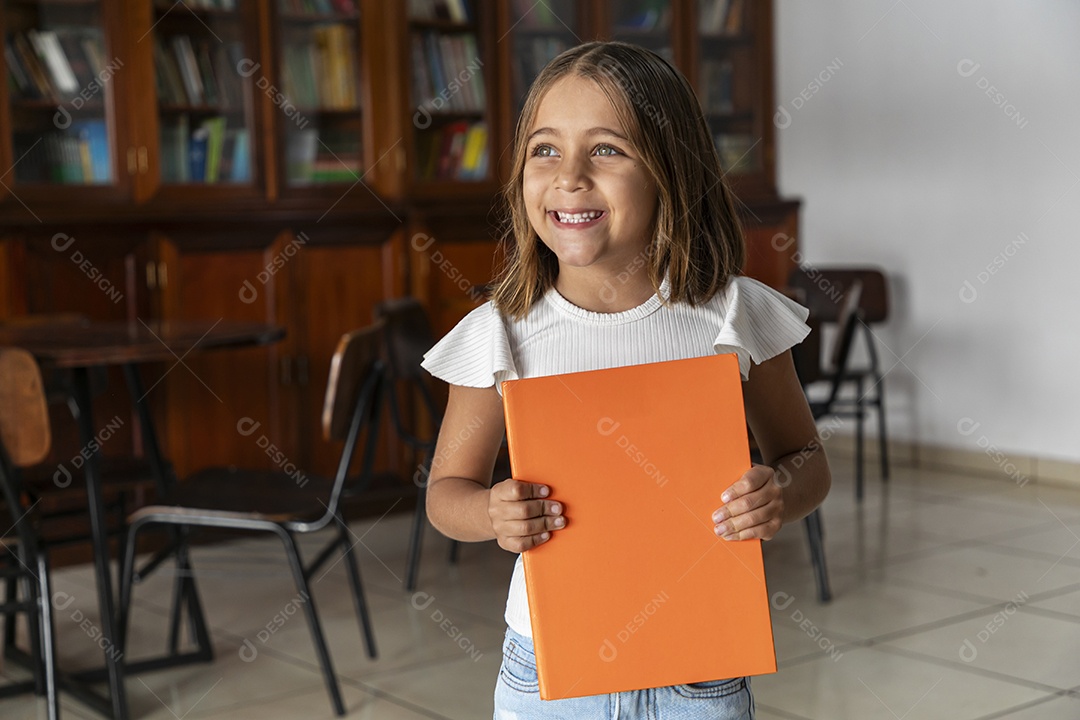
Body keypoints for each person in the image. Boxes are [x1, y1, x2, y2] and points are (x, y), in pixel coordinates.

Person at [420, 41, 830, 719]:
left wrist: (781, 492)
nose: (569, 177)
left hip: (702, 668)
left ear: (672, 169)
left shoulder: (733, 313)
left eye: (606, 149)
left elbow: (807, 460)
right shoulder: (502, 331)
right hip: (549, 668)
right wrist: (490, 513)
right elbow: (445, 495)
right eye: (544, 150)